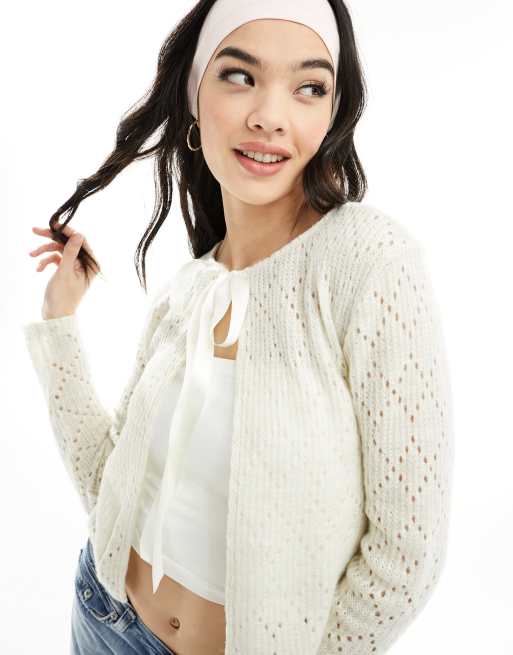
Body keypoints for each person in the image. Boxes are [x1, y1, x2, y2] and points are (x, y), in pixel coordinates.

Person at [23, 1, 455, 654]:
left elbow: (407, 553)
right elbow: (111, 489)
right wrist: (60, 323)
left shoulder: (368, 262)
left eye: (309, 87)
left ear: (332, 113)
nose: (270, 116)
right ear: (194, 99)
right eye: (239, 75)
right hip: (104, 618)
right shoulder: (188, 290)